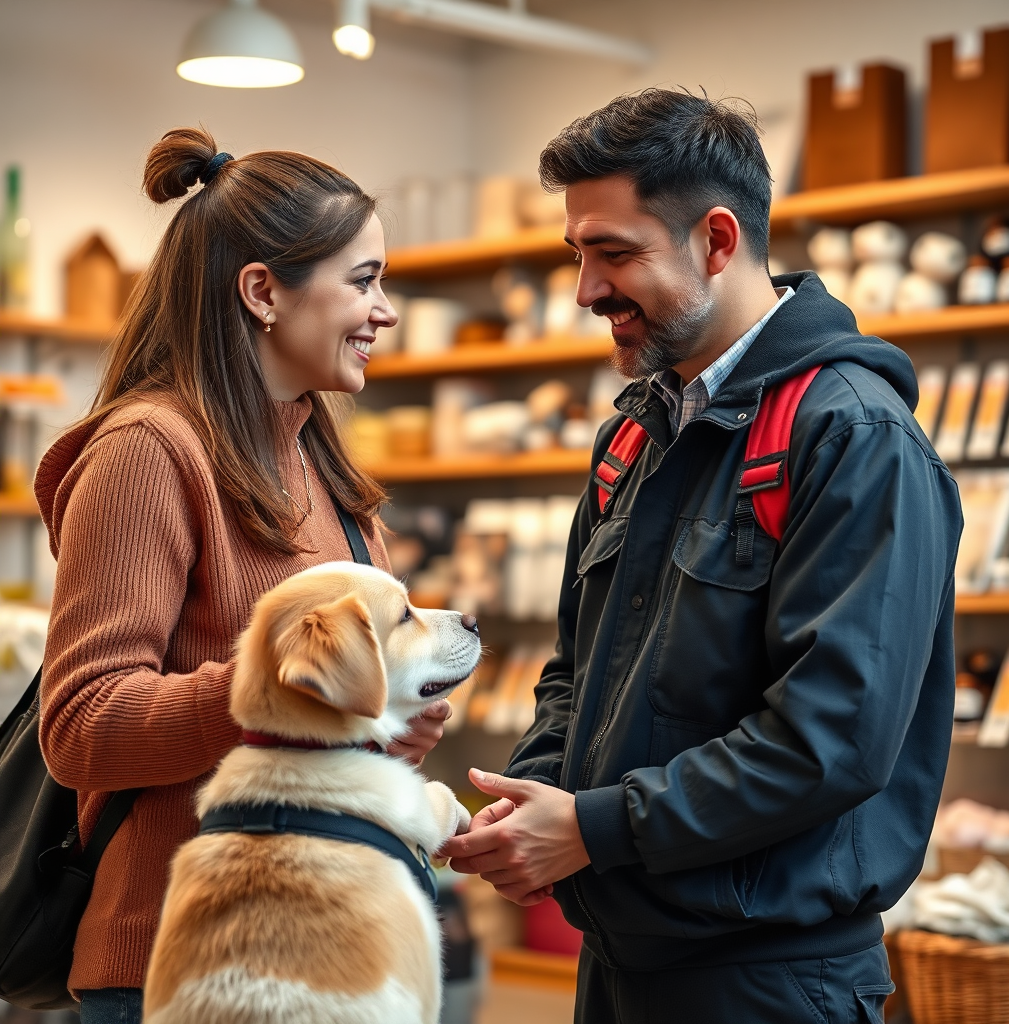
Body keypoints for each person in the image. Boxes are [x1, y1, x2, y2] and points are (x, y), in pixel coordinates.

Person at [444, 89, 962, 1023]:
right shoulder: (636, 435)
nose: (585, 290)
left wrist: (595, 830)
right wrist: (540, 798)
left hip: (768, 985)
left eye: (615, 253)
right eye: (577, 254)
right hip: (622, 963)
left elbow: (830, 739)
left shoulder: (852, 436)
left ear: (716, 242)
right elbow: (578, 667)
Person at [36, 127, 450, 1024]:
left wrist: (383, 714)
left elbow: (318, 721)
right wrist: (290, 689)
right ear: (263, 291)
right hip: (192, 968)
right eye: (365, 280)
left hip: (340, 943)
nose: (387, 312)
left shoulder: (324, 467)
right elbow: (80, 726)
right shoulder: (149, 452)